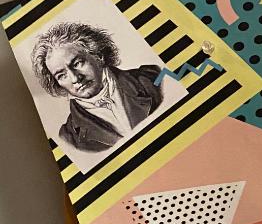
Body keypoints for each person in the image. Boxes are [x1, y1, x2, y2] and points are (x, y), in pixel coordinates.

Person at [31, 21, 163, 152]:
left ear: (98, 55)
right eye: (62, 75)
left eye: (77, 63)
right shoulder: (69, 137)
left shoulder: (154, 77)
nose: (75, 78)